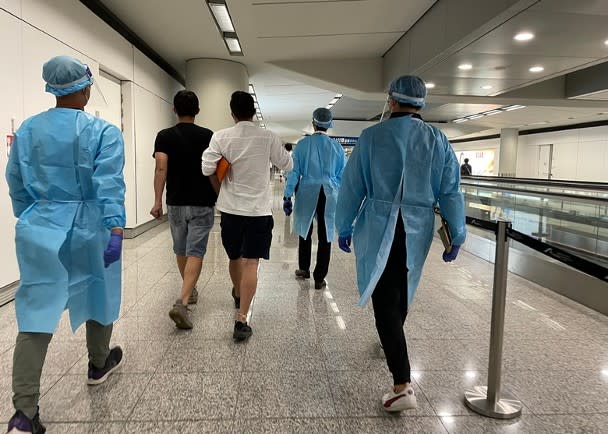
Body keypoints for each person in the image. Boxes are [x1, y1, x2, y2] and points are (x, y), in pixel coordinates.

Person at [5, 56, 126, 433]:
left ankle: (24, 412)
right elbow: (109, 184)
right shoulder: (104, 132)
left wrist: (37, 216)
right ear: (86, 88)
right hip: (92, 226)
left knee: (36, 311)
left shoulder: (27, 131)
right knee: (99, 291)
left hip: (40, 226)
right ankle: (98, 362)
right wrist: (116, 229)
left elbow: (16, 184)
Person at [335, 75, 466, 412]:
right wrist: (457, 233)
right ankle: (395, 342)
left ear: (391, 101)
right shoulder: (438, 141)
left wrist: (343, 225)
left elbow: (352, 186)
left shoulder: (372, 137)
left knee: (384, 298)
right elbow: (450, 190)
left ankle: (402, 384)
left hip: (379, 226)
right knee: (403, 288)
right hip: (417, 228)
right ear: (420, 103)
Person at [202, 91, 292, 341]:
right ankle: (242, 319)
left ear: (232, 113)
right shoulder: (268, 137)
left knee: (234, 257)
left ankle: (238, 293)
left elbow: (206, 168)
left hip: (230, 209)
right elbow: (288, 164)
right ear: (253, 112)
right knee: (251, 262)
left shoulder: (220, 137)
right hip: (258, 211)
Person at [150, 90, 216, 330]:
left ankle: (190, 289)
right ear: (197, 110)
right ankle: (183, 300)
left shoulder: (164, 136)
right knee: (196, 251)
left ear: (174, 109)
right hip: (202, 202)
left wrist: (157, 201)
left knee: (181, 248)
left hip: (176, 201)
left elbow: (160, 169)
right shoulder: (209, 136)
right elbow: (212, 170)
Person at [283, 108, 346, 289]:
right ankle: (320, 277)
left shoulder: (303, 145)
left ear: (313, 123)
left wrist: (287, 195)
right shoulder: (337, 147)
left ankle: (304, 268)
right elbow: (342, 175)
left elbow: (294, 173)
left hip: (308, 191)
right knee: (326, 234)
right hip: (329, 192)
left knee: (305, 230)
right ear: (329, 125)